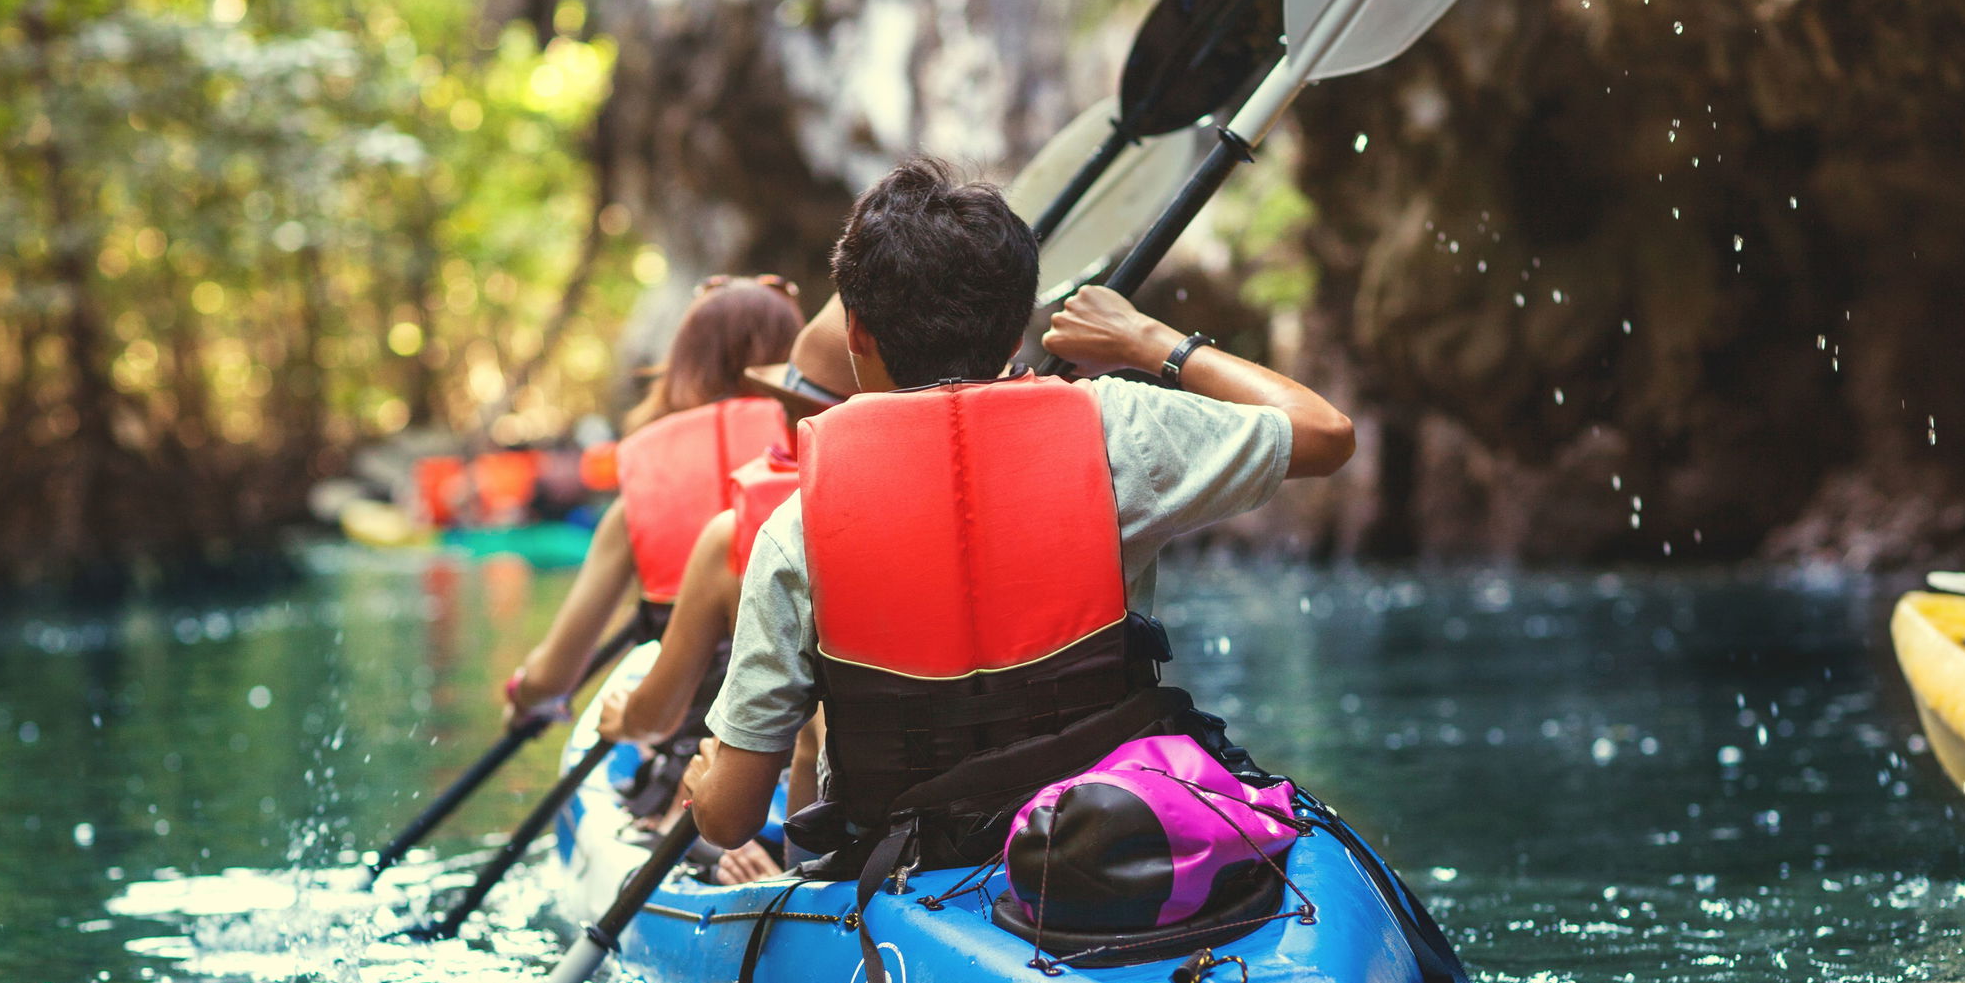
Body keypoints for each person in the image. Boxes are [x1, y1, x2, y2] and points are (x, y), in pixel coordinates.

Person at [677, 157, 1356, 880]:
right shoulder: (1116, 430)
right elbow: (1324, 431)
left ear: (856, 334)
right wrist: (1148, 341)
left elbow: (731, 816)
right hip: (1111, 841)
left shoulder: (798, 527)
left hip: (911, 870)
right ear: (1012, 335)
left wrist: (701, 779)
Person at [594, 300, 861, 882]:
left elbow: (659, 723)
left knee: (699, 799)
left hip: (761, 805)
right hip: (903, 828)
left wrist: (624, 725)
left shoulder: (740, 535)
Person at [500, 276, 802, 748]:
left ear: (684, 364)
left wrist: (524, 695)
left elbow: (554, 676)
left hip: (692, 749)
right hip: (812, 744)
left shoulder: (637, 500)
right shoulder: (828, 460)